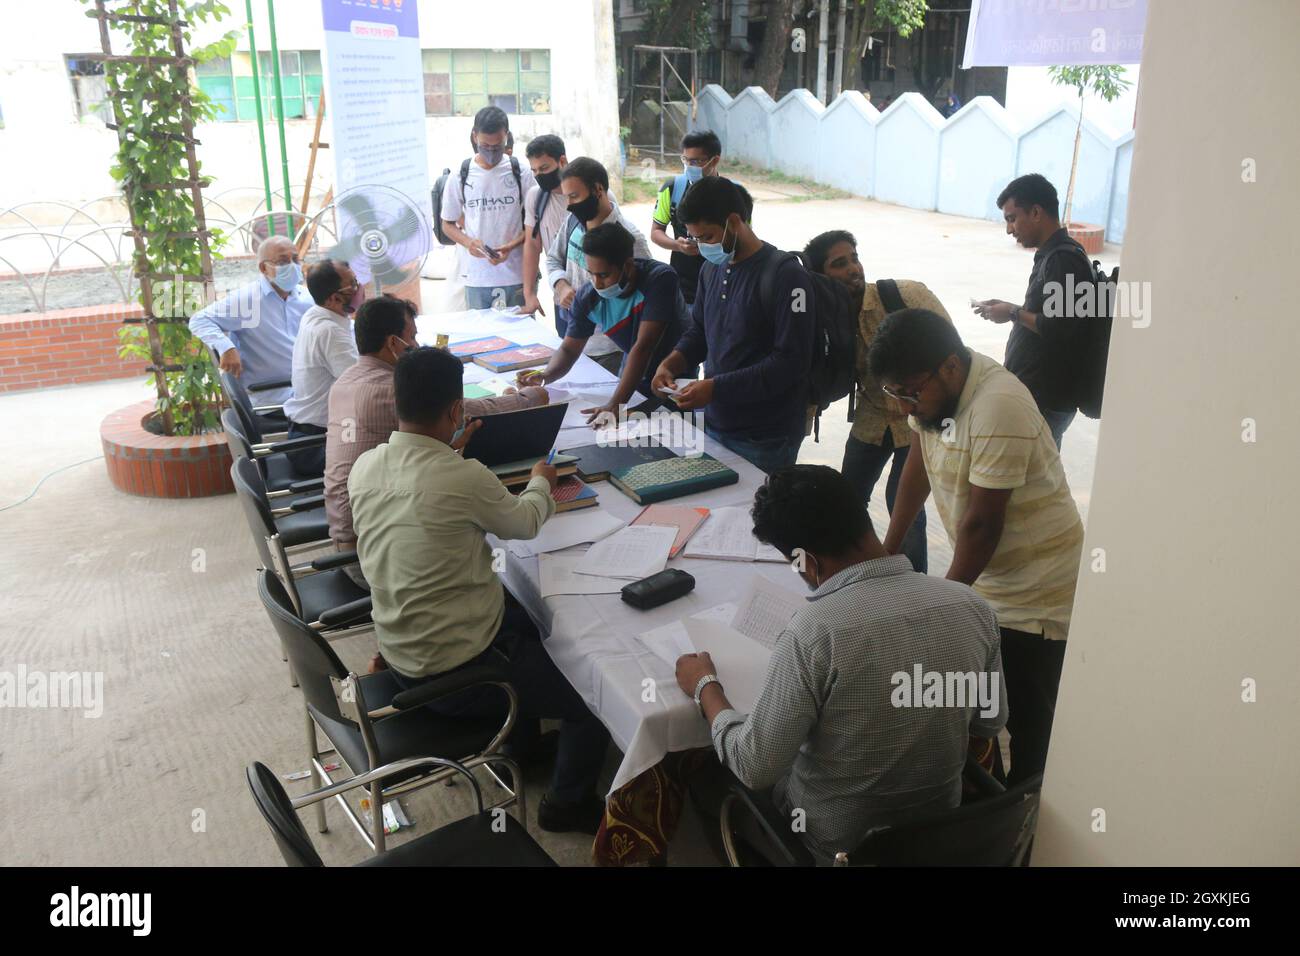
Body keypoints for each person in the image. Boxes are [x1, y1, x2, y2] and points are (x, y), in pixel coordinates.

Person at [675, 465, 1006, 864]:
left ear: (808, 561)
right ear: (863, 521)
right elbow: (989, 723)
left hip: (835, 847)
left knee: (704, 770)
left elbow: (754, 766)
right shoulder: (971, 607)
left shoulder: (815, 632)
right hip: (939, 836)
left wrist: (704, 685)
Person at [348, 346, 610, 832]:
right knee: (594, 691)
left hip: (400, 648)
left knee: (526, 616)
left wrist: (450, 456)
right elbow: (527, 522)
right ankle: (567, 802)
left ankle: (520, 747)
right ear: (455, 411)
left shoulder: (367, 466)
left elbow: (421, 500)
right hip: (457, 673)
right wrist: (540, 480)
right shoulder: (462, 476)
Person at [868, 308, 1084, 784]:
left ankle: (1030, 822)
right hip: (988, 581)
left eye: (909, 391)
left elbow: (982, 525)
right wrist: (889, 546)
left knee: (1029, 719)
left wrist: (945, 606)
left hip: (1035, 596)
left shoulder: (997, 405)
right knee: (979, 706)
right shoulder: (933, 397)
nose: (904, 405)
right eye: (895, 392)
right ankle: (994, 799)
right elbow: (918, 466)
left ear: (949, 366)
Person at [324, 294, 548, 570]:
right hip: (366, 556)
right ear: (394, 343)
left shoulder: (346, 381)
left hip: (359, 534)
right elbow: (525, 524)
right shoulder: (393, 391)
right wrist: (531, 398)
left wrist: (447, 449)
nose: (416, 346)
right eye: (413, 337)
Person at [802, 229, 951, 573]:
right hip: (871, 419)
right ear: (821, 277)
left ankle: (911, 591)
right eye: (840, 264)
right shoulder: (823, 320)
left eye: (855, 258)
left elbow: (954, 357)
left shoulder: (906, 294)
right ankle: (854, 576)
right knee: (846, 500)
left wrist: (947, 425)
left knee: (904, 508)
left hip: (916, 420)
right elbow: (815, 376)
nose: (854, 268)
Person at [651, 176, 814, 473]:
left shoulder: (787, 276)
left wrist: (716, 388)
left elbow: (791, 362)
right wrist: (672, 363)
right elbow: (699, 331)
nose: (701, 246)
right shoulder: (711, 270)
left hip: (766, 435)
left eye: (708, 237)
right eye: (695, 238)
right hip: (716, 423)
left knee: (759, 515)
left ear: (734, 221)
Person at [519, 222, 687, 424]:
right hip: (635, 372)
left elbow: (644, 347)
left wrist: (614, 405)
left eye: (604, 275)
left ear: (627, 265)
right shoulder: (587, 298)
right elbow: (569, 349)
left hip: (677, 373)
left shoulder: (659, 280)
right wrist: (546, 375)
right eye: (591, 274)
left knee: (678, 427)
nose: (597, 283)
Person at [973, 173, 1095, 449]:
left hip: (1045, 400)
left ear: (1037, 212)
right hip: (1039, 397)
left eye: (1012, 218)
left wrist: (1012, 312)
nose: (1009, 229)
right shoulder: (1054, 255)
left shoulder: (1064, 259)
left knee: (1023, 483)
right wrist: (1008, 308)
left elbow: (1061, 327)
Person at [544, 156, 651, 376]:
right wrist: (561, 285)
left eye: (575, 196)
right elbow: (553, 259)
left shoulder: (630, 239)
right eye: (567, 198)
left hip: (612, 347)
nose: (570, 205)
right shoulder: (572, 222)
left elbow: (648, 295)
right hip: (574, 339)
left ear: (598, 189)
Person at [189, 235, 313, 407]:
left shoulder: (308, 298)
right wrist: (226, 347)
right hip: (272, 400)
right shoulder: (247, 301)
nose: (292, 266)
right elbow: (199, 320)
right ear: (264, 268)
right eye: (283, 261)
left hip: (311, 393)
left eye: (296, 259)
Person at [439, 106, 536, 311]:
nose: (491, 151)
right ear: (475, 137)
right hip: (477, 278)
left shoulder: (522, 173)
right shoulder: (460, 175)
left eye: (497, 145)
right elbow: (447, 223)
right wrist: (468, 243)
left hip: (518, 275)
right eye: (485, 145)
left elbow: (535, 223)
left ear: (506, 137)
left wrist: (512, 245)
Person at [280, 260, 361, 476]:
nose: (359, 288)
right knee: (389, 448)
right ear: (334, 298)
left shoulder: (316, 314)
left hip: (311, 432)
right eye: (353, 285)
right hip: (316, 445)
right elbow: (363, 385)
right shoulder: (329, 331)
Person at [650, 129, 722, 305]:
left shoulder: (730, 193)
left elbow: (743, 240)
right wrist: (677, 245)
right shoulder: (672, 189)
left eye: (696, 161)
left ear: (715, 160)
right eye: (686, 160)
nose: (689, 166)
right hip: (684, 289)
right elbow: (656, 232)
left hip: (722, 286)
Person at [520, 133, 569, 331]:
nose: (539, 175)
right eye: (534, 171)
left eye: (545, 168)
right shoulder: (535, 198)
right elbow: (532, 245)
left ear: (562, 161)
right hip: (561, 298)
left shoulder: (594, 193)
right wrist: (529, 294)